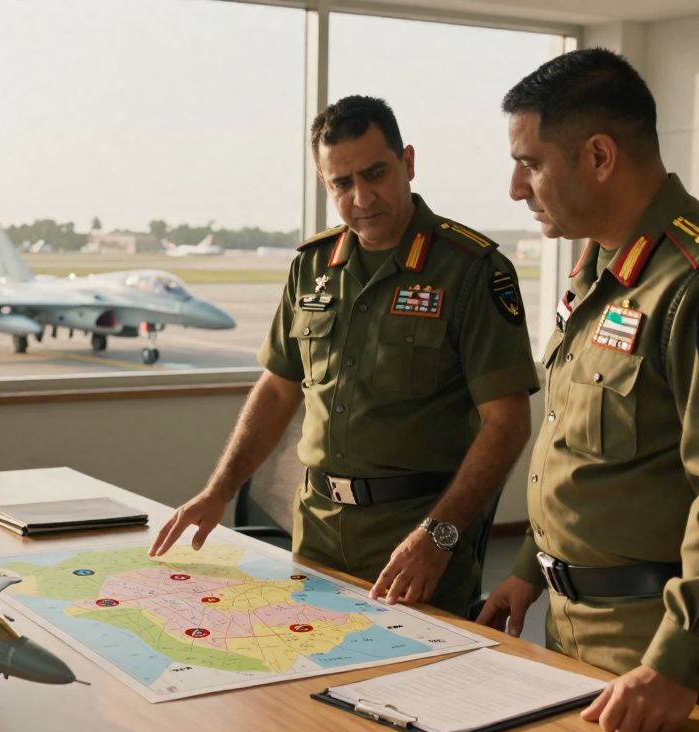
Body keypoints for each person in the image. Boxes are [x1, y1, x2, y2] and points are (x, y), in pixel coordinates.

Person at [475, 48, 699, 732]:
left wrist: (675, 664)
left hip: (658, 648)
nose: (514, 188)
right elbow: (579, 450)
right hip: (573, 626)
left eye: (530, 163)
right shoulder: (599, 269)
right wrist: (531, 569)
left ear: (597, 156)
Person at [149, 95, 539, 617]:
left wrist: (440, 535)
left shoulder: (470, 270)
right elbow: (278, 387)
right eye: (341, 183)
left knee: (417, 690)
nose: (362, 197)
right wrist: (219, 490)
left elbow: (507, 423)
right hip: (318, 534)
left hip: (414, 542)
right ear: (324, 182)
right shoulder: (312, 266)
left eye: (376, 173)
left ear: (409, 163)